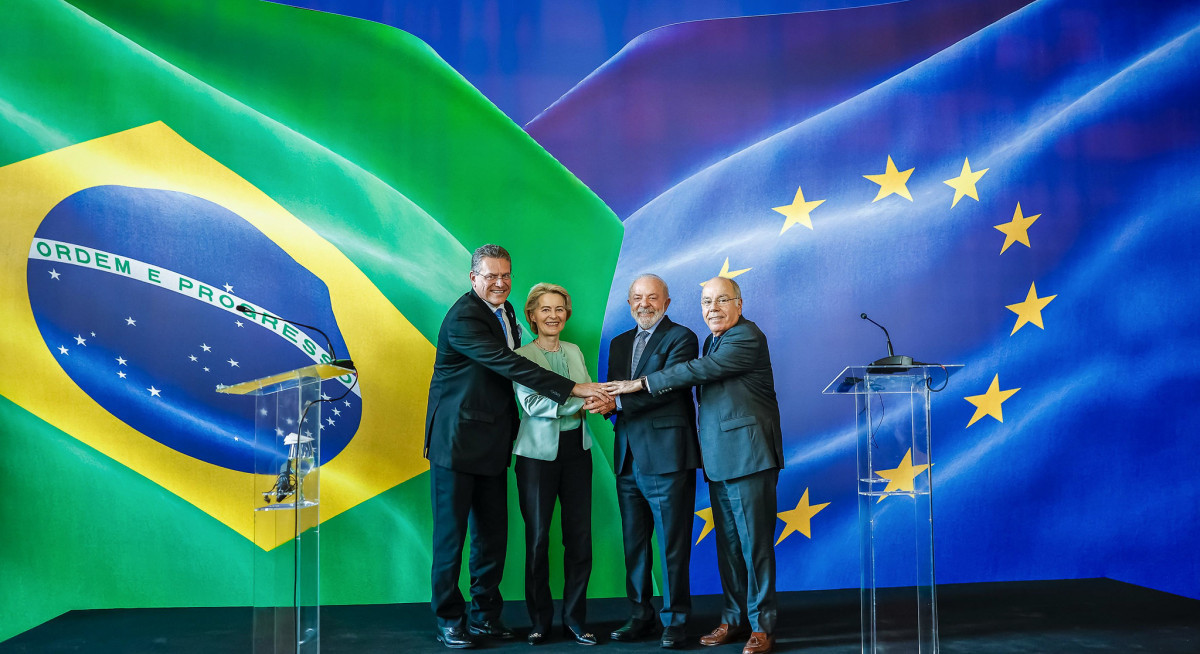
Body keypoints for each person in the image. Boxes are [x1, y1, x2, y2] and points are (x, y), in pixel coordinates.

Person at [424, 245, 610, 650]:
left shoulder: (506, 311)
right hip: (456, 443)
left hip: (493, 442)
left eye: (505, 275)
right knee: (451, 538)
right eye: (490, 276)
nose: (499, 282)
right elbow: (509, 365)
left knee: (491, 537)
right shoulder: (464, 318)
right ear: (473, 278)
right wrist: (574, 389)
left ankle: (484, 617)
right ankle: (449, 619)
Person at [603, 277, 783, 654]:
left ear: (739, 304)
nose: (712, 308)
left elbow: (697, 371)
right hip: (719, 460)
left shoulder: (746, 337)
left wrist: (639, 384)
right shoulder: (714, 339)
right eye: (706, 302)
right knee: (729, 548)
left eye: (721, 300)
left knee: (755, 548)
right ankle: (733, 619)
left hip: (749, 458)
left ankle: (762, 626)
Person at [604, 274, 701, 649]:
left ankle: (675, 619)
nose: (644, 304)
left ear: (667, 302)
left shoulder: (682, 338)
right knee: (635, 544)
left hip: (667, 457)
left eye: (652, 297)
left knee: (672, 545)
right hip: (627, 456)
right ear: (629, 303)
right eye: (637, 298)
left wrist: (617, 402)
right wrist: (605, 404)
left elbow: (669, 386)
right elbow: (613, 390)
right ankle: (640, 614)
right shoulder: (618, 343)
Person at [512, 283, 608, 646]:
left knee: (579, 539)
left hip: (577, 453)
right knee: (538, 540)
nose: (553, 316)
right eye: (545, 309)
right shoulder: (521, 355)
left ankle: (574, 618)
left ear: (566, 315)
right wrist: (581, 399)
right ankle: (540, 621)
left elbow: (590, 389)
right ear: (532, 316)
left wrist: (591, 396)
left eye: (559, 309)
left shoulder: (574, 350)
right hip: (536, 457)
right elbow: (533, 405)